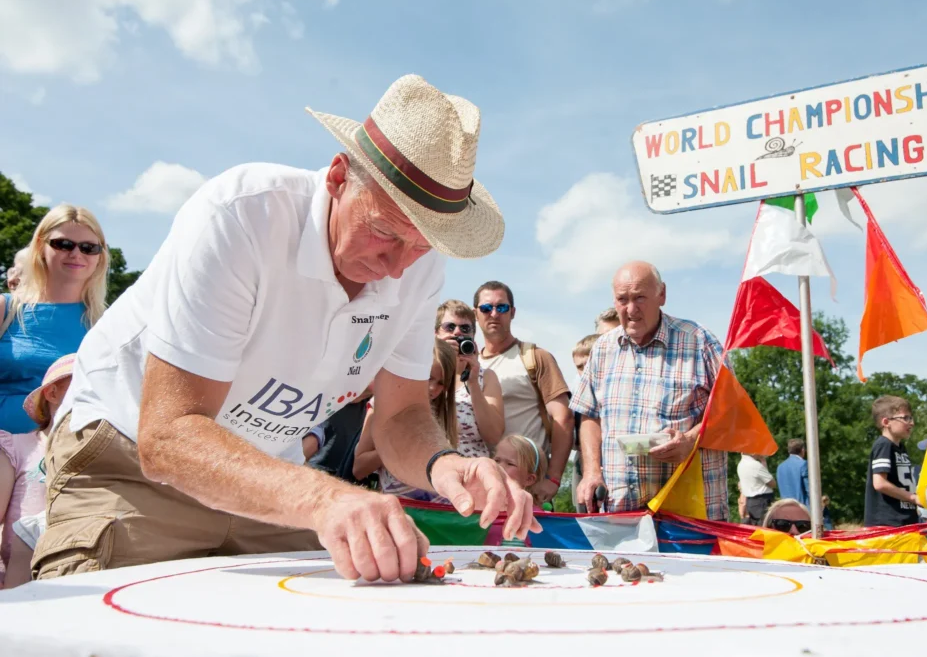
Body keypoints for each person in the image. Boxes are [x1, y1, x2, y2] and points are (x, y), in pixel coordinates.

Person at [32, 75, 539, 584]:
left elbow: (402, 413)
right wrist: (325, 498)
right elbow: (168, 434)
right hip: (130, 464)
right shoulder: (242, 215)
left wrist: (443, 465)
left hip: (270, 480)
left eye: (422, 245)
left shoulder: (419, 265)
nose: (397, 268)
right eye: (383, 231)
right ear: (338, 177)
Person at [572, 261, 730, 520]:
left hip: (690, 514)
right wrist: (591, 472)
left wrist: (691, 440)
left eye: (639, 298)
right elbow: (590, 415)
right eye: (622, 300)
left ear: (662, 295)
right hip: (622, 511)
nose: (631, 309)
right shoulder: (602, 349)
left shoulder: (700, 341)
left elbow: (732, 411)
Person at [0, 206, 108, 434]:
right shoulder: (5, 308)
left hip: (67, 450)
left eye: (89, 248)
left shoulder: (108, 325)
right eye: (64, 244)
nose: (76, 254)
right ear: (40, 246)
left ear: (100, 256)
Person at [475, 280, 573, 503]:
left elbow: (563, 418)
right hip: (480, 487)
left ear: (513, 312)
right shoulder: (469, 364)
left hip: (527, 489)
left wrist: (554, 478)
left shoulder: (535, 357)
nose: (494, 314)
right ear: (475, 314)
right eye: (486, 308)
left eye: (501, 307)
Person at [0, 354, 74, 588]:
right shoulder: (18, 447)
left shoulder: (104, 452)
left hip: (72, 569)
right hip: (19, 574)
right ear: (52, 394)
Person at [353, 340, 457, 503]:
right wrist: (400, 445)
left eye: (441, 383)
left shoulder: (447, 412)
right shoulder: (381, 406)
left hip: (441, 512)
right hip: (401, 508)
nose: (433, 388)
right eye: (428, 377)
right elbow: (359, 468)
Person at [434, 299, 504, 456]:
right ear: (436, 333)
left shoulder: (486, 377)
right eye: (450, 327)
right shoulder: (421, 371)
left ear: (472, 335)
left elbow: (494, 436)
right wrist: (438, 360)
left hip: (471, 465)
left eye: (465, 328)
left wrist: (472, 382)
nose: (457, 333)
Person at [864, 396, 919, 527]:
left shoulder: (901, 448)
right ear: (886, 422)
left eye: (911, 418)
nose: (911, 423)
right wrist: (912, 497)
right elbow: (880, 483)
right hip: (887, 523)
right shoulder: (884, 445)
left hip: (904, 520)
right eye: (906, 418)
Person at [570, 333, 600, 513]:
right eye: (579, 367)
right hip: (582, 465)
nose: (584, 371)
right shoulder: (576, 395)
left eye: (588, 364)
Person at [493, 434, 549, 508]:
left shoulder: (531, 513)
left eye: (510, 464)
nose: (499, 466)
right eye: (497, 460)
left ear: (529, 479)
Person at [737, 453, 775, 525]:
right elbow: (772, 483)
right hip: (762, 501)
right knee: (765, 525)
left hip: (751, 501)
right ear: (752, 452)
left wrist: (763, 461)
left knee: (756, 526)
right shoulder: (756, 465)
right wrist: (763, 462)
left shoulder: (741, 464)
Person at [776, 438, 810, 507]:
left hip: (785, 507)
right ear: (803, 450)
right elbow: (809, 489)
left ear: (789, 451)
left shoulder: (780, 467)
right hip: (802, 507)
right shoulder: (803, 464)